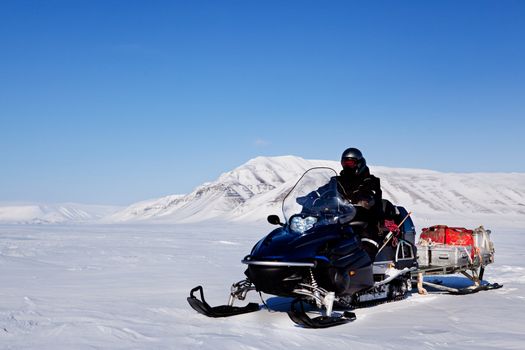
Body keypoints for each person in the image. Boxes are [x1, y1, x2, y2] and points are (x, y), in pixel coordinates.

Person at [336, 147, 384, 259]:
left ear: (359, 163)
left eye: (351, 163)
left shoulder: (370, 181)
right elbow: (325, 190)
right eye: (345, 163)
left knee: (365, 244)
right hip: (341, 221)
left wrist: (364, 199)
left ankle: (364, 265)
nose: (347, 166)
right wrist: (311, 197)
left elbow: (371, 194)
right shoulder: (337, 180)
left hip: (366, 222)